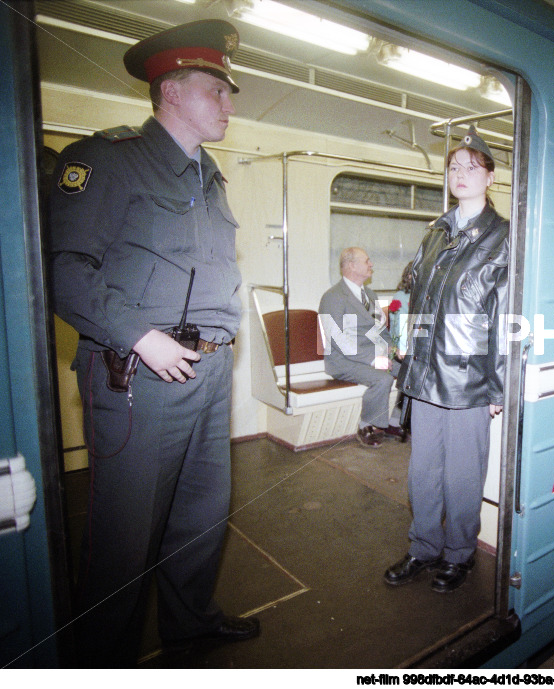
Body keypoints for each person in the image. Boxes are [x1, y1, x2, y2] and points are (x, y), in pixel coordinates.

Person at [47, 20, 258, 666]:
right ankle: (99, 661)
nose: (229, 103)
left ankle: (189, 622)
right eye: (217, 91)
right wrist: (142, 337)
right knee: (123, 536)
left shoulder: (209, 176)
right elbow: (64, 270)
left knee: (201, 515)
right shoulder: (107, 160)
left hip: (210, 370)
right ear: (170, 90)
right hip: (141, 375)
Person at [384, 127, 508, 593]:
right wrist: (398, 337)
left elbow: (506, 318)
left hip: (469, 377)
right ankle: (423, 547)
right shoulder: (436, 231)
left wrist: (498, 387)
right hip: (423, 370)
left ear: (490, 177)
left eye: (471, 167)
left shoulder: (502, 237)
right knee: (423, 468)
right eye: (454, 167)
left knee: (462, 472)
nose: (460, 174)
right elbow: (405, 287)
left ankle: (459, 553)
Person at [319, 247, 404, 447]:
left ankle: (394, 420)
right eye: (367, 261)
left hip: (373, 355)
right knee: (381, 379)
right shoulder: (333, 297)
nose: (371, 264)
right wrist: (374, 359)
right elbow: (337, 337)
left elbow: (381, 331)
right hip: (343, 360)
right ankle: (367, 425)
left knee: (412, 371)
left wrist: (394, 351)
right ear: (351, 265)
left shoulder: (370, 295)